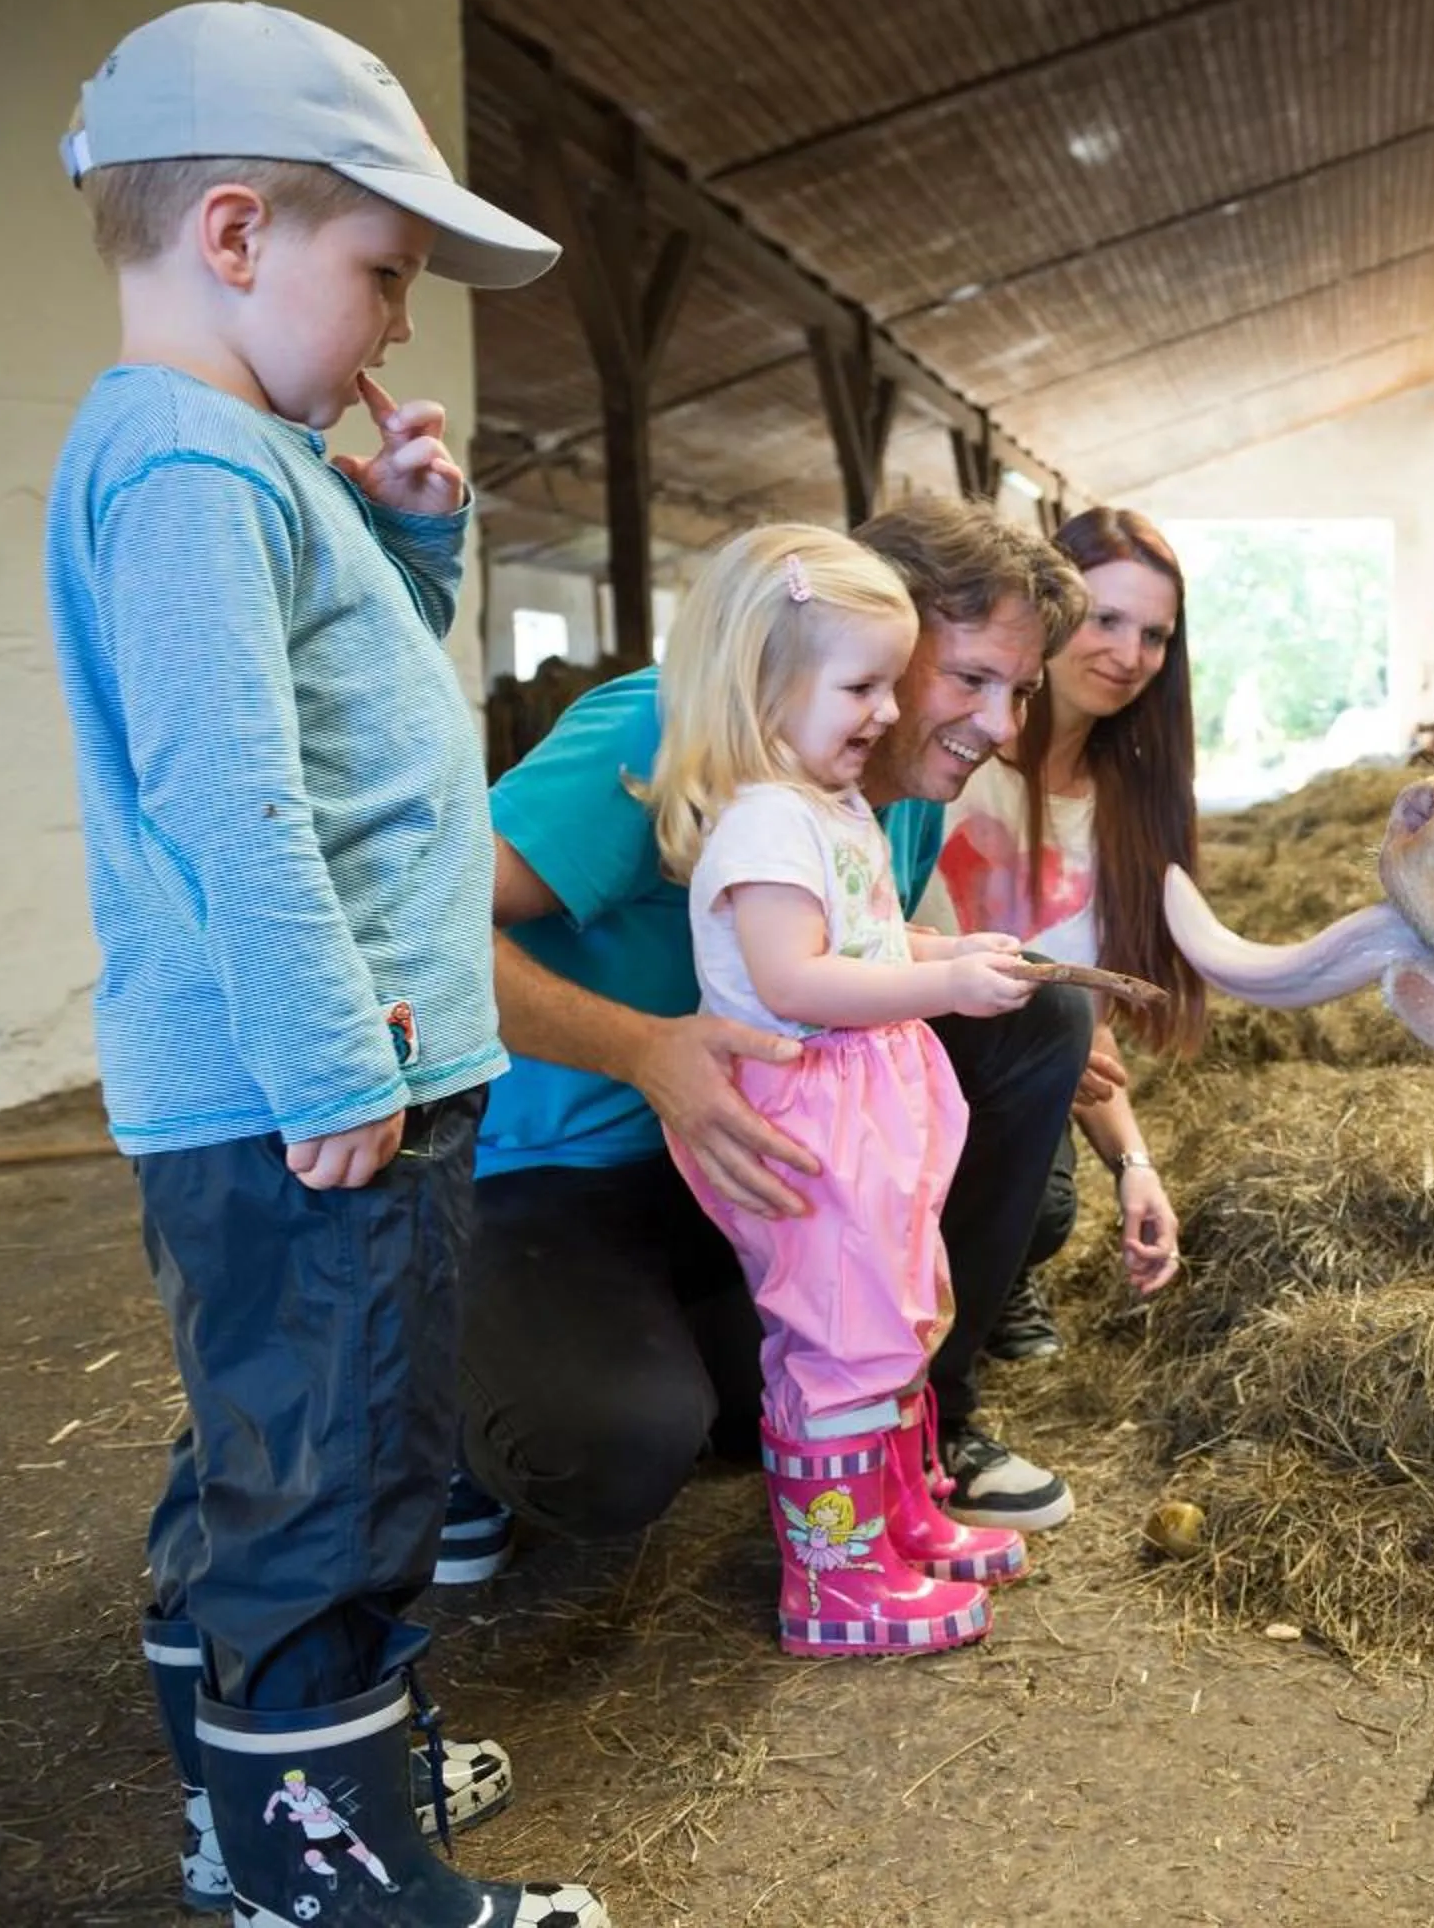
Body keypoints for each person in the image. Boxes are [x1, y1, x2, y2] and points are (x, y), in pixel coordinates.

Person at [43, 0, 608, 1927]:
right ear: (230, 237)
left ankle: (273, 1775)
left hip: (324, 1069)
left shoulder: (244, 463)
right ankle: (323, 1855)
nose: (390, 326)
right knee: (345, 1469)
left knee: (281, 1437)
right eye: (380, 275)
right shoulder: (193, 471)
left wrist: (419, 541)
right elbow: (234, 793)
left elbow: (346, 708)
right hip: (323, 1082)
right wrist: (331, 1066)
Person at [460, 495, 1100, 1552]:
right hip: (561, 1168)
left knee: (1041, 1017)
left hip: (753, 1164)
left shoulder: (893, 775)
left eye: (1022, 692)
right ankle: (425, 1393)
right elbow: (419, 930)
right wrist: (643, 1051)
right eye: (972, 679)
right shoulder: (667, 729)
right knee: (607, 1448)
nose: (1000, 729)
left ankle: (920, 1420)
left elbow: (881, 954)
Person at [642, 525, 1034, 1654]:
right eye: (862, 685)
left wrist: (940, 948)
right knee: (839, 1333)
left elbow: (855, 932)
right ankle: (835, 1576)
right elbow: (793, 979)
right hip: (810, 1118)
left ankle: (896, 1514)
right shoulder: (766, 819)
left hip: (864, 1108)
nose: (884, 711)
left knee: (895, 1311)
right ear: (764, 686)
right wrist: (946, 982)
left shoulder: (828, 803)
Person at [930, 508, 1208, 1356]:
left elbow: (1083, 1032)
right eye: (1106, 618)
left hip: (1013, 1063)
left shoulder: (1132, 806)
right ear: (1045, 609)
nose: (1129, 656)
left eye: (1154, 634)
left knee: (1048, 1208)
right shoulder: (946, 758)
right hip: (899, 1040)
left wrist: (1134, 1167)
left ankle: (996, 1272)